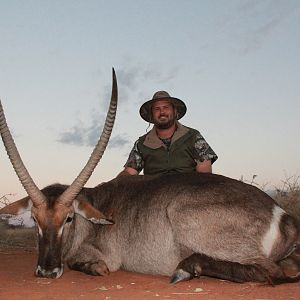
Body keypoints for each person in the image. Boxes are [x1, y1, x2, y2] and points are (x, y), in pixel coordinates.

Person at [118, 91, 218, 176]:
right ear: (152, 115)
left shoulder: (193, 136)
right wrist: (112, 184)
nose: (162, 112)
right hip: (154, 195)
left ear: (175, 111)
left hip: (188, 193)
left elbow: (205, 174)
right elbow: (129, 172)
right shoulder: (141, 144)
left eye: (166, 107)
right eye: (157, 109)